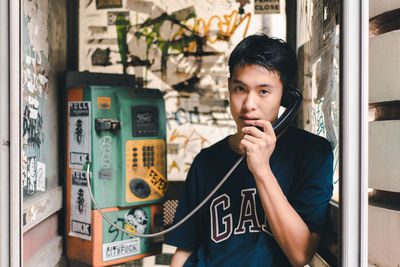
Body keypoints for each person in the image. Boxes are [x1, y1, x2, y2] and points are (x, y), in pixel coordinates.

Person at [166, 33, 333, 267]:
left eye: (263, 91)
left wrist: (261, 169)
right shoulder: (206, 162)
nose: (248, 105)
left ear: (286, 97)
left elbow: (299, 254)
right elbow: (184, 250)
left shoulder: (312, 153)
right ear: (228, 87)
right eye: (240, 89)